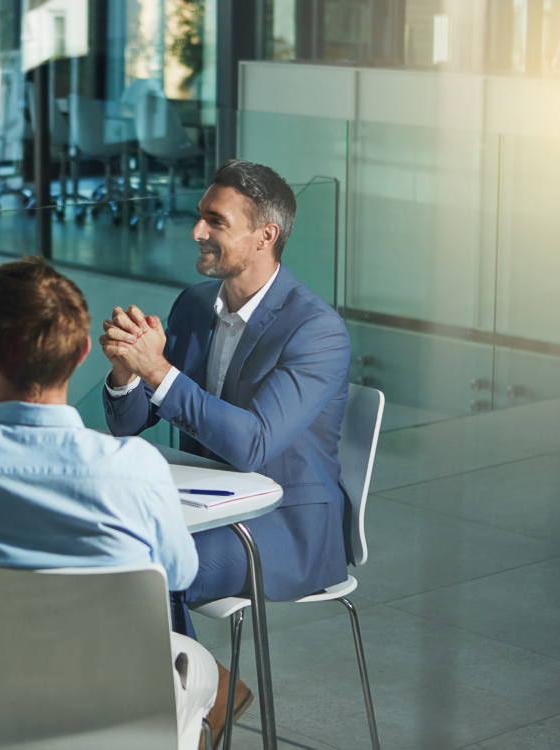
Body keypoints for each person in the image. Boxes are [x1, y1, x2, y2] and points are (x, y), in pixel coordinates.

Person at [0, 257, 216, 750]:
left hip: (4, 713)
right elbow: (179, 574)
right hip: (127, 712)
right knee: (192, 665)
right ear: (81, 354)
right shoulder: (137, 467)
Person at [99, 159, 352, 744]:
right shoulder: (194, 305)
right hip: (204, 507)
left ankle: (165, 720)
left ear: (265, 235)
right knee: (99, 550)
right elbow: (130, 424)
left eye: (215, 221)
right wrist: (126, 374)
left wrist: (158, 371)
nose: (197, 231)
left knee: (146, 569)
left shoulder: (316, 330)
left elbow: (253, 444)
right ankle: (208, 691)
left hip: (284, 525)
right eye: (200, 217)